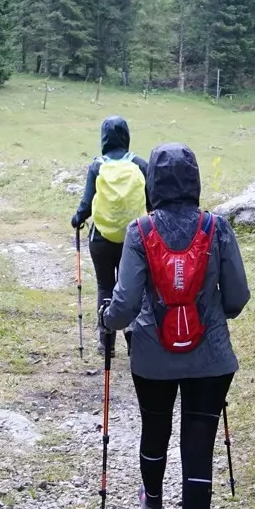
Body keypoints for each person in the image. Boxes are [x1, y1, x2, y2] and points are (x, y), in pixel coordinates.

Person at [101, 142, 248, 509]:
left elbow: (124, 306)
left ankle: (152, 507)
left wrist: (106, 319)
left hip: (152, 356)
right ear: (196, 180)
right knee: (197, 453)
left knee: (156, 427)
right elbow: (237, 299)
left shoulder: (139, 231)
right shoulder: (216, 227)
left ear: (154, 185)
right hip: (211, 359)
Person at [70, 115, 150, 345]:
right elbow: (152, 202)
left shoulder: (97, 165)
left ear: (104, 137)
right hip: (134, 239)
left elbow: (86, 204)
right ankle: (134, 335)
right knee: (134, 288)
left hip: (101, 238)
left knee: (105, 286)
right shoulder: (140, 164)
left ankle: (107, 340)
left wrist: (77, 218)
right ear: (126, 136)